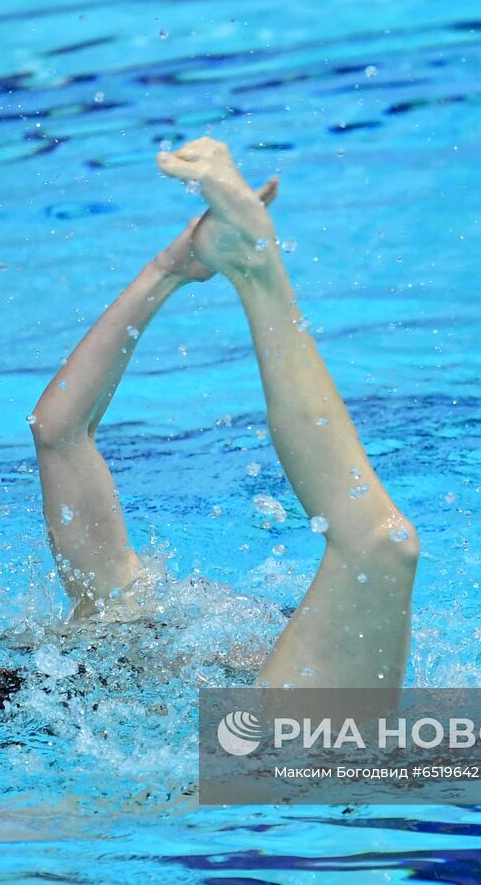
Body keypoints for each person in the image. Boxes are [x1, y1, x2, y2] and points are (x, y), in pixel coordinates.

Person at [29, 138, 421, 689]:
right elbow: (57, 432)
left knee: (380, 548)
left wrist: (168, 269)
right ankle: (258, 271)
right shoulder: (120, 627)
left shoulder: (113, 629)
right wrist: (177, 267)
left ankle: (257, 268)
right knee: (378, 547)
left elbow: (57, 431)